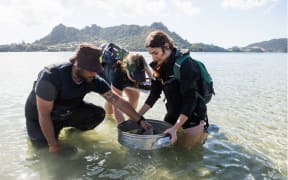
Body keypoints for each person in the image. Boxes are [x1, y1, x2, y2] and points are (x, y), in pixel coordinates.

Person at [25, 43, 151, 153]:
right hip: (40, 116)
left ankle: (69, 130)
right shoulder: (52, 76)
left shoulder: (93, 79)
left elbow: (116, 100)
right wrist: (53, 145)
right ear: (77, 65)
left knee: (98, 114)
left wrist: (140, 120)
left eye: (97, 69)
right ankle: (38, 132)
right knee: (43, 149)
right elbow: (44, 114)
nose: (95, 73)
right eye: (91, 69)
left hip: (67, 111)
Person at [138, 31, 208, 148]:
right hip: (172, 113)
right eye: (151, 54)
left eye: (156, 53)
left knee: (187, 152)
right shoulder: (159, 66)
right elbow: (154, 94)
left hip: (192, 115)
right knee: (166, 151)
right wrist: (137, 116)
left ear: (166, 46)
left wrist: (175, 128)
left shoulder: (186, 65)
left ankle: (203, 131)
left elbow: (191, 100)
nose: (153, 57)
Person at [100, 43, 152, 123]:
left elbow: (150, 75)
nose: (136, 80)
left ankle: (130, 118)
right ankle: (109, 119)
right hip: (105, 69)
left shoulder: (140, 60)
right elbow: (117, 106)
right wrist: (123, 126)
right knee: (111, 99)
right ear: (127, 69)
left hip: (124, 73)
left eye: (139, 76)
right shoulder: (117, 74)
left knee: (135, 95)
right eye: (135, 77)